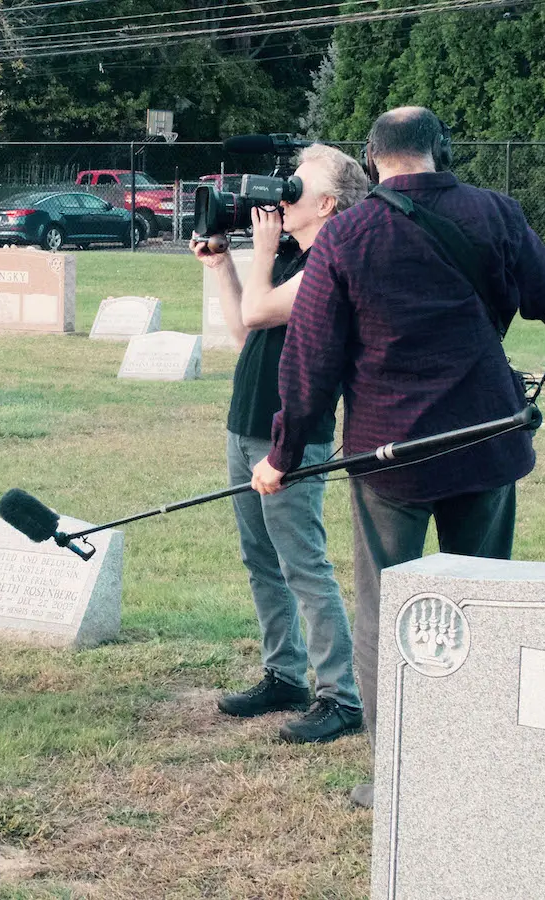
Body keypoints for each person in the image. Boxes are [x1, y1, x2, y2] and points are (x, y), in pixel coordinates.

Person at [250, 107, 545, 806]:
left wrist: (281, 454)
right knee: (480, 604)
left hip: (389, 459)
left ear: (372, 160)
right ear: (442, 152)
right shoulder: (496, 213)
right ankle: (478, 762)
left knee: (387, 613)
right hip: (486, 444)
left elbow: (310, 364)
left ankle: (399, 777)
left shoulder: (346, 235)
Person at [191, 144, 368, 744]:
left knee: (303, 564)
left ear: (326, 203)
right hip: (247, 421)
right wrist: (222, 266)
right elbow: (246, 326)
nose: (281, 193)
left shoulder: (330, 264)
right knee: (261, 559)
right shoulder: (295, 256)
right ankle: (283, 672)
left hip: (292, 433)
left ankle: (341, 695)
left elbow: (265, 311)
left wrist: (261, 251)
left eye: (296, 184)